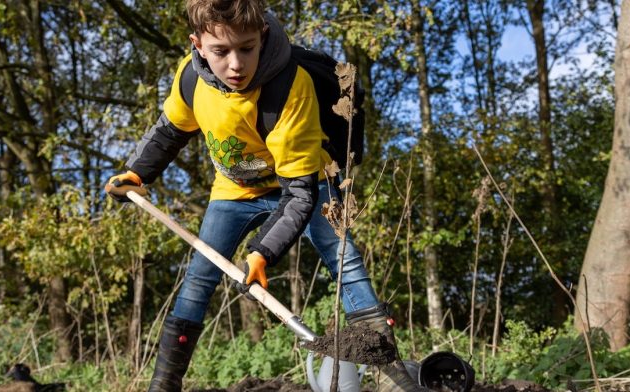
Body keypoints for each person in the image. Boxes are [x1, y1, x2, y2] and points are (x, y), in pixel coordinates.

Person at [106, 1, 423, 391]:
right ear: (198, 45)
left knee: (346, 261)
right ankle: (163, 384)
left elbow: (299, 195)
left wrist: (262, 252)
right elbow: (171, 130)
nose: (236, 65)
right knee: (197, 281)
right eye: (221, 52)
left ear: (264, 38)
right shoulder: (190, 79)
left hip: (305, 185)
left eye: (247, 48)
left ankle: (394, 380)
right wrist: (138, 173)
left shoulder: (290, 86)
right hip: (234, 192)